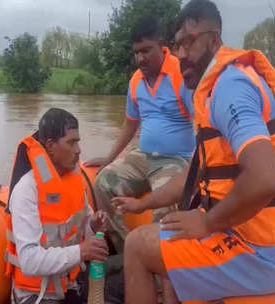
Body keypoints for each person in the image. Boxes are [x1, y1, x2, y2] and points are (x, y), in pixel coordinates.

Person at [113, 0, 275, 303]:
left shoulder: (229, 88)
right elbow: (188, 177)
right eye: (177, 46)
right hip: (248, 239)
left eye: (189, 43)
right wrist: (141, 205)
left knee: (137, 246)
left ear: (214, 39)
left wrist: (206, 223)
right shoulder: (217, 88)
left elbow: (264, 178)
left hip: (254, 252)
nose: (181, 55)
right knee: (172, 230)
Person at [84, 16, 195, 254]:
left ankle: (159, 270)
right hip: (142, 156)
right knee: (102, 182)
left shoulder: (180, 74)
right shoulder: (136, 81)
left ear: (162, 45)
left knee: (165, 210)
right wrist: (109, 159)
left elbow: (204, 124)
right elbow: (129, 125)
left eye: (146, 50)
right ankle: (127, 252)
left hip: (174, 160)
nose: (140, 58)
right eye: (136, 52)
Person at [4, 108, 109, 304]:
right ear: (50, 145)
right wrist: (82, 252)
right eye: (71, 142)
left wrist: (92, 225)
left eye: (78, 141)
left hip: (71, 284)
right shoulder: (27, 190)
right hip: (38, 296)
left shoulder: (74, 180)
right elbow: (29, 261)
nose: (78, 150)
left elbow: (83, 226)